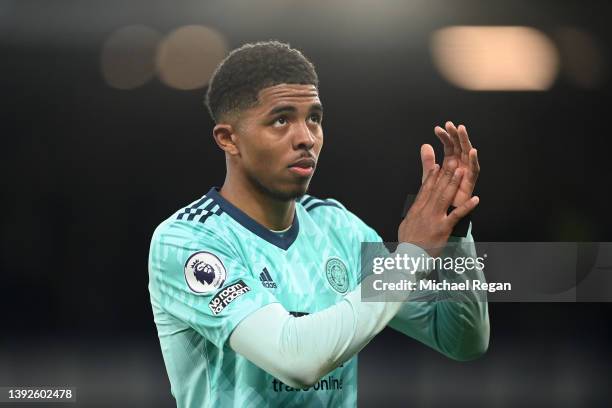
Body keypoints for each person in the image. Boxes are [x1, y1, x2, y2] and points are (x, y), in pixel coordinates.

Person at [148, 41, 489, 408]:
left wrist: (454, 232)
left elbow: (462, 342)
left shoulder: (337, 227)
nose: (306, 138)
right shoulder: (188, 240)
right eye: (281, 120)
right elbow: (295, 360)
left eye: (314, 118)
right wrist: (408, 258)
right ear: (229, 139)